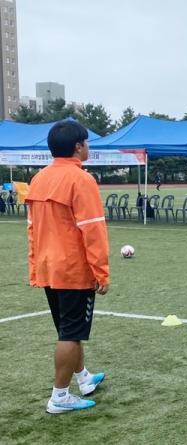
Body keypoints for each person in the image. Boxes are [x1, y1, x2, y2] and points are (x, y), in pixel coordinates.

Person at [26, 121, 109, 414]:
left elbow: (32, 228)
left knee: (69, 329)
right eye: (87, 142)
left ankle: (83, 378)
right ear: (78, 146)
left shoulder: (38, 179)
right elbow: (93, 230)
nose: (88, 147)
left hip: (49, 267)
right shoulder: (81, 180)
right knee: (71, 334)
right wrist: (101, 271)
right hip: (73, 270)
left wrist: (35, 267)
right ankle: (59, 396)